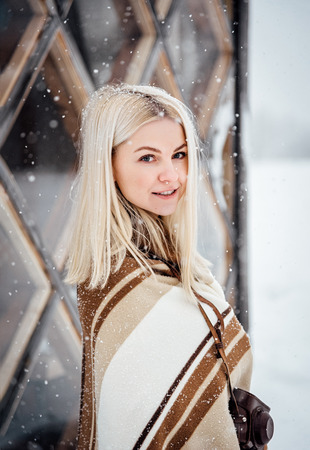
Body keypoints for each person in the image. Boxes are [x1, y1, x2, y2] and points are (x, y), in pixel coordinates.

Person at [66, 84, 253, 449]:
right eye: (148, 158)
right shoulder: (121, 277)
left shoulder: (172, 257)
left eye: (179, 155)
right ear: (110, 165)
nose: (172, 175)